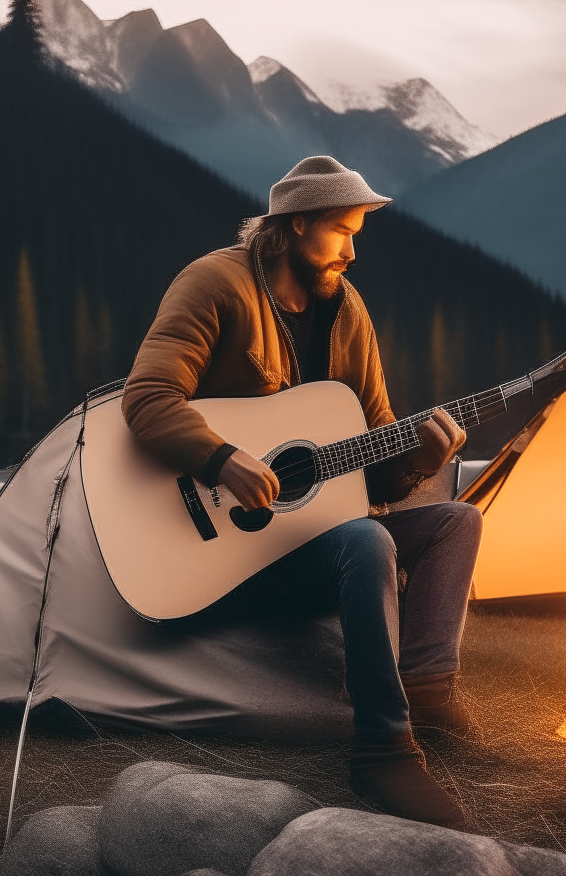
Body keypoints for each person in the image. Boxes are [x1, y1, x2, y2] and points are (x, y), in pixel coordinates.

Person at [121, 155, 483, 830]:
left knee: (455, 521)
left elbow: (373, 465)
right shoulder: (215, 283)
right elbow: (146, 398)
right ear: (292, 228)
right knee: (366, 539)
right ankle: (383, 748)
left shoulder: (347, 314)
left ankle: (428, 692)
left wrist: (419, 458)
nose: (352, 249)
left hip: (310, 543)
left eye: (357, 233)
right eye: (341, 231)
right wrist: (220, 459)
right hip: (221, 551)